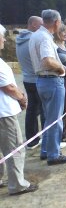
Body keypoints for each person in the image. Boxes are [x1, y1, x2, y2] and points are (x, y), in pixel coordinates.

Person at [29, 9, 66, 166]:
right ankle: (54, 154)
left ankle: (46, 150)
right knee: (55, 119)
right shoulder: (45, 38)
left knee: (49, 118)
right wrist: (61, 69)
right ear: (56, 22)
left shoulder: (36, 35)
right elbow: (47, 61)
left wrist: (63, 69)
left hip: (41, 80)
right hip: (51, 80)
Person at [0, 23, 38, 195]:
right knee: (14, 148)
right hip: (4, 112)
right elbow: (8, 87)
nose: (4, 39)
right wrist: (22, 98)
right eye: (2, 36)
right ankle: (17, 184)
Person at [15, 16, 45, 149]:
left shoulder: (20, 39)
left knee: (32, 110)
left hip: (27, 78)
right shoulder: (32, 39)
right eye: (40, 24)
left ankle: (32, 139)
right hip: (36, 78)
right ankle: (43, 139)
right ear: (33, 24)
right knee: (42, 110)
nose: (43, 27)